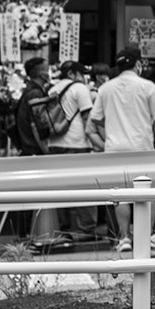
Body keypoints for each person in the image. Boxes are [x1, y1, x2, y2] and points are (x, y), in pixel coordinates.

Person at [89, 46, 155, 252]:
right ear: (138, 64)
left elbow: (95, 118)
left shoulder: (105, 88)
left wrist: (110, 131)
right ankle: (147, 235)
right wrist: (148, 133)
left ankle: (124, 238)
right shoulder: (148, 86)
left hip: (115, 148)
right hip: (142, 146)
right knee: (149, 192)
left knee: (121, 194)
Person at [44, 60, 99, 240]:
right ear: (71, 74)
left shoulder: (52, 90)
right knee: (84, 187)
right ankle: (86, 229)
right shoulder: (80, 89)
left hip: (55, 144)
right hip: (77, 143)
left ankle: (62, 228)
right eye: (80, 73)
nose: (83, 77)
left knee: (60, 189)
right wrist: (96, 141)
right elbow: (87, 118)